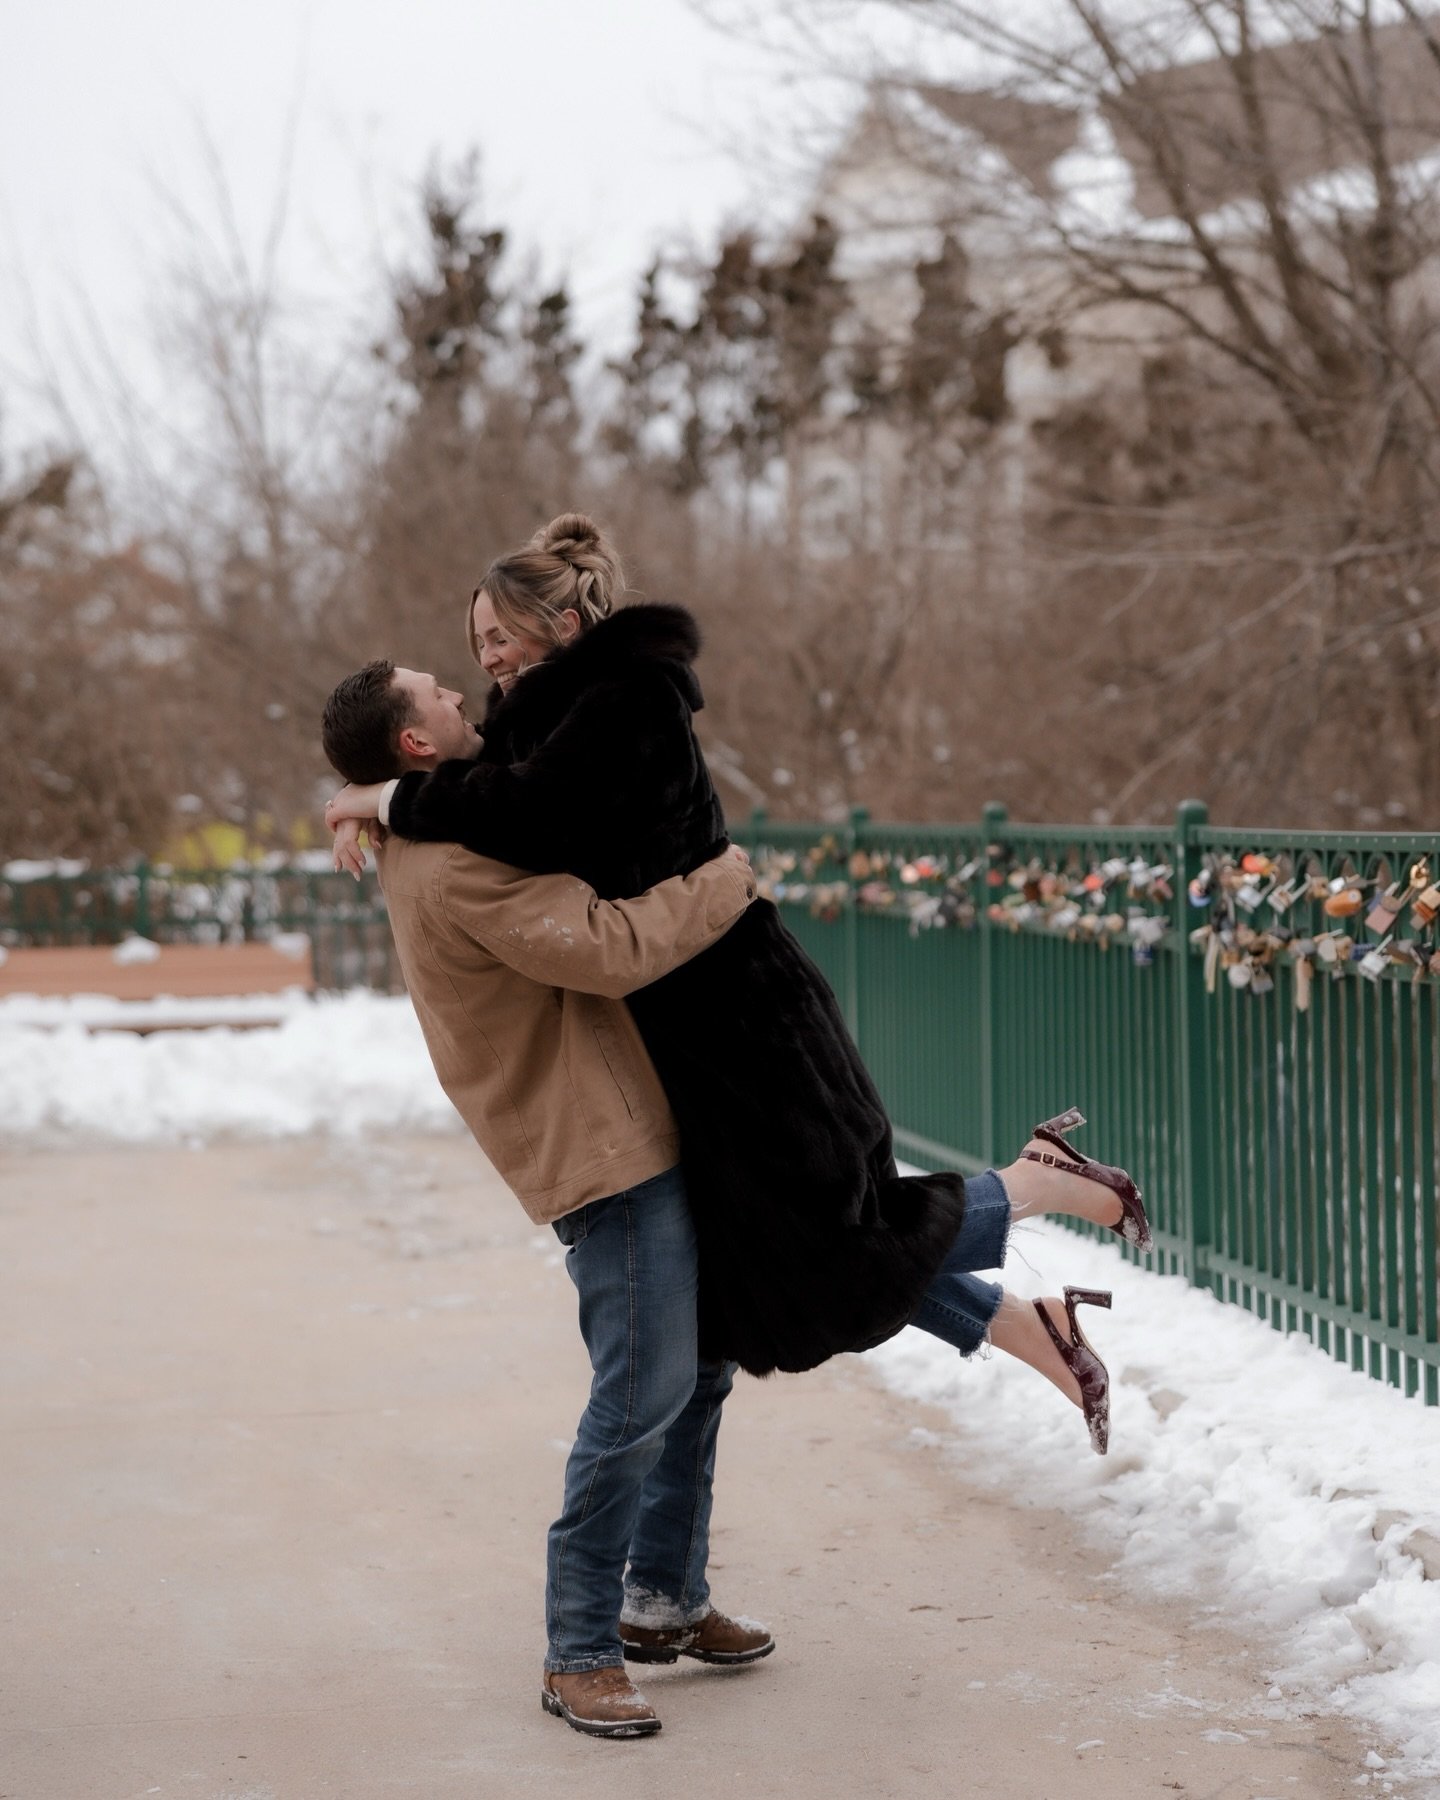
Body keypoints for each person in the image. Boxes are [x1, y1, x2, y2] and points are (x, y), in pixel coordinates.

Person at [321, 659, 770, 1740]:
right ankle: (578, 1649)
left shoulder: (432, 824)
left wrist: (351, 804)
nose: (457, 690)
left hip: (623, 1123)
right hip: (599, 1147)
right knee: (637, 1396)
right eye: (435, 691)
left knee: (696, 1370)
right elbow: (609, 947)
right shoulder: (456, 867)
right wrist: (727, 878)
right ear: (416, 745)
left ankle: (662, 1596)